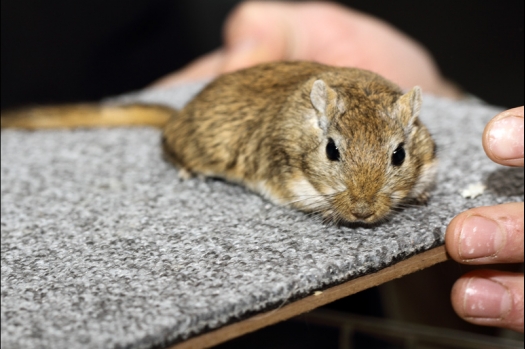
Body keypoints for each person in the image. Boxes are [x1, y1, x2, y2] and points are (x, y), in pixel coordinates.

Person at [153, 1, 524, 333]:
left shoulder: (414, 137)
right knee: (194, 138)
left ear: (410, 126)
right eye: (333, 153)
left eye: (397, 158)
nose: (362, 206)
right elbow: (282, 184)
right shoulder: (294, 137)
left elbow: (419, 163)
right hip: (214, 113)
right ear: (319, 123)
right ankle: (179, 151)